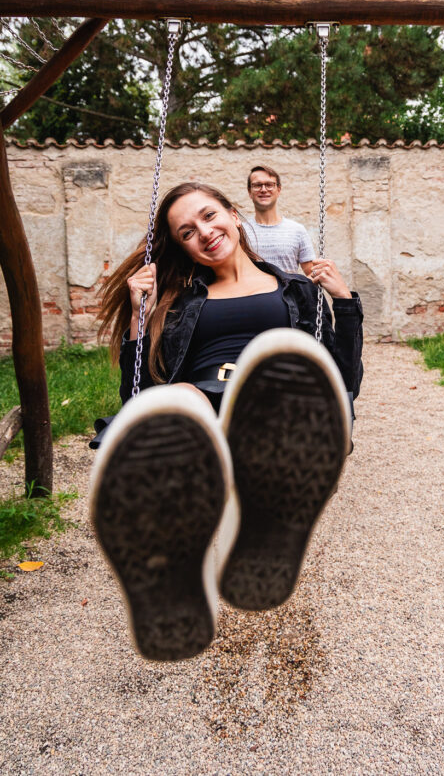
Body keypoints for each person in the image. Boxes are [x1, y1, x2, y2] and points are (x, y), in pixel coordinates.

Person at [90, 181, 363, 662]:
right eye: (187, 232)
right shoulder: (177, 300)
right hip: (201, 405)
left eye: (210, 216)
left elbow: (341, 378)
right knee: (180, 400)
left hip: (275, 406)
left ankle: (260, 516)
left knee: (286, 365)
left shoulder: (297, 289)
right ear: (181, 248)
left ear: (234, 215)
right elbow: (137, 394)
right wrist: (138, 315)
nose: (205, 233)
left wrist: (344, 302)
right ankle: (174, 557)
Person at [246, 164, 315, 274]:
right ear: (249, 192)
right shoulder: (240, 232)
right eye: (257, 185)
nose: (263, 190)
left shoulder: (297, 230)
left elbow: (312, 274)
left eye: (269, 185)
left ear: (278, 190)